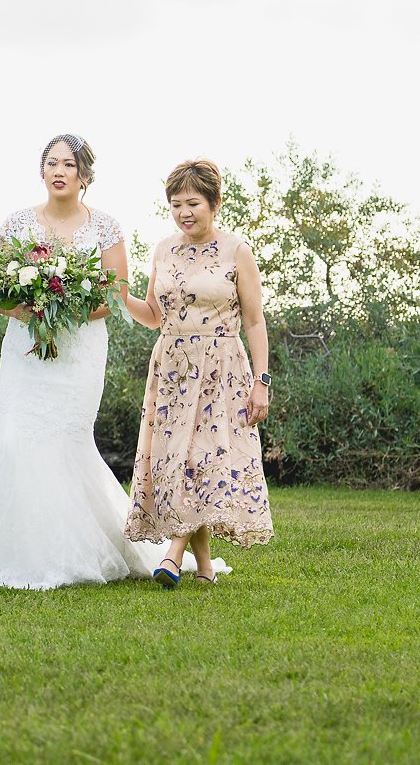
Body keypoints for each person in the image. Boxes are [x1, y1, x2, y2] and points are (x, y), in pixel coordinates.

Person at [0, 134, 226, 589]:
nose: (58, 171)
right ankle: (29, 554)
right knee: (16, 438)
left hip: (79, 351)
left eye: (68, 164)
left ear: (84, 175)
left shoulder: (106, 227)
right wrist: (30, 311)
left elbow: (113, 297)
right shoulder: (15, 223)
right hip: (25, 350)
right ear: (42, 171)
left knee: (65, 442)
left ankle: (82, 551)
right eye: (51, 163)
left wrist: (63, 308)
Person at [116, 158, 274, 588]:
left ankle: (172, 555)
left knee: (198, 456)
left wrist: (262, 382)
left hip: (221, 368)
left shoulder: (237, 250)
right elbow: (152, 315)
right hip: (171, 367)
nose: (184, 212)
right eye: (176, 204)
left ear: (215, 203)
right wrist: (118, 293)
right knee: (181, 460)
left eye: (193, 203)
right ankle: (203, 570)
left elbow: (256, 321)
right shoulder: (164, 249)